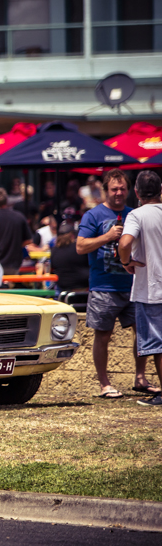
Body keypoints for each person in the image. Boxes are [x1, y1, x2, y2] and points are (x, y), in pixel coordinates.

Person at [76, 169, 153, 399]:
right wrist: (107, 237)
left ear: (130, 191)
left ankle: (140, 378)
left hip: (134, 285)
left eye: (122, 189)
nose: (118, 193)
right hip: (104, 287)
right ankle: (104, 384)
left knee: (142, 332)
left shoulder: (135, 214)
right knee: (103, 335)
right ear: (105, 190)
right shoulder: (93, 215)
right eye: (114, 189)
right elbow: (80, 246)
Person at [119, 170, 162, 406]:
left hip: (152, 289)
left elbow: (125, 242)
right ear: (160, 191)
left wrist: (126, 261)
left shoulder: (136, 215)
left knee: (159, 345)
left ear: (136, 193)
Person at [50, 222, 88, 294]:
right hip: (81, 286)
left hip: (62, 287)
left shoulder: (54, 250)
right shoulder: (78, 248)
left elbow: (52, 267)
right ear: (72, 235)